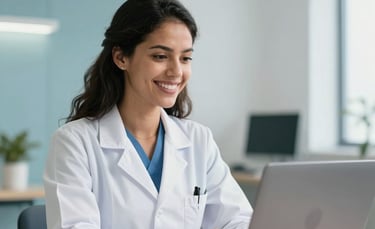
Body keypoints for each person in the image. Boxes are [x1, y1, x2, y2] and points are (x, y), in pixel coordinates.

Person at [43, 0, 253, 228]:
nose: (176, 72)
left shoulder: (198, 140)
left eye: (185, 58)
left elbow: (238, 219)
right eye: (160, 56)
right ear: (121, 58)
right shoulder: (75, 142)